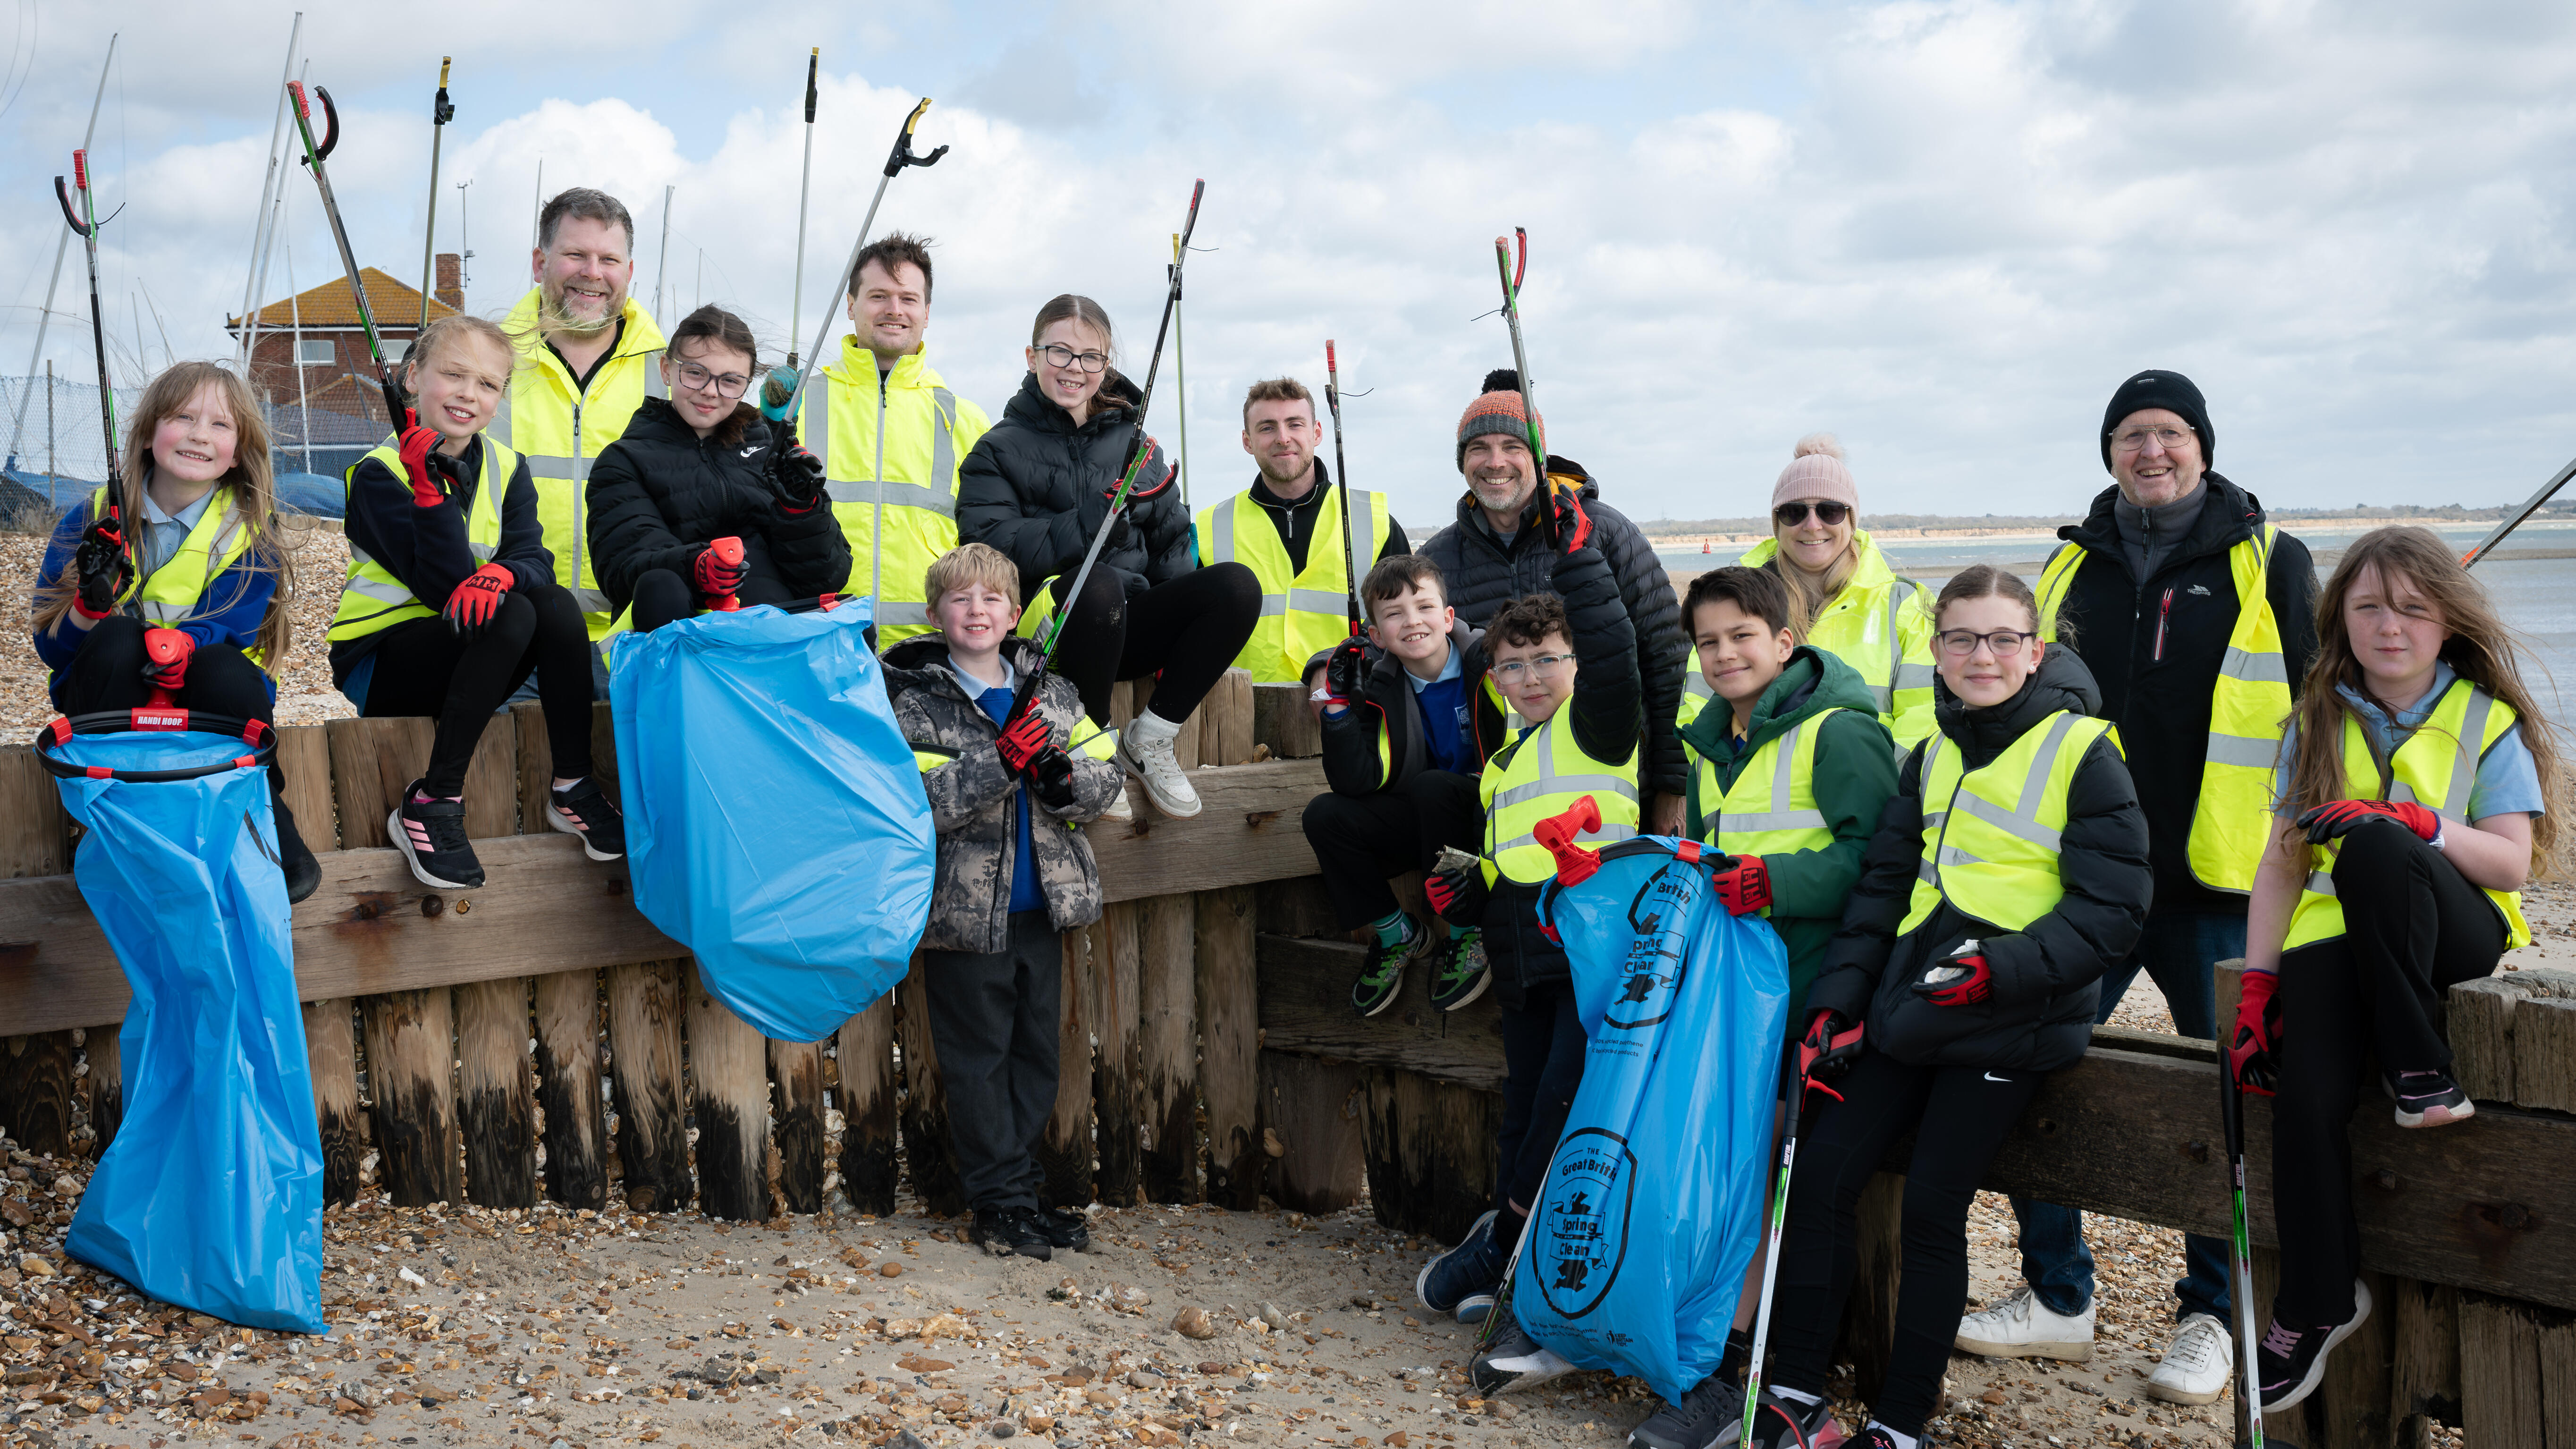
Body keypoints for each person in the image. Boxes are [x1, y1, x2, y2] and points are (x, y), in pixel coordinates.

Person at [1959, 369, 2317, 1406]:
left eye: (2167, 433)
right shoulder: (2070, 565)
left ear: (2201, 445)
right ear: (2107, 451)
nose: (2149, 451)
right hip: (2088, 871)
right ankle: (2057, 1294)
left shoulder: (2269, 560)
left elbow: (2314, 707)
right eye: (2129, 435)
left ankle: (2212, 1310)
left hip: (2222, 877)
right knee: (2030, 1053)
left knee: (2230, 1092)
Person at [1736, 564, 2149, 1449]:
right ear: (1937, 650)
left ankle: (1900, 1421)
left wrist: (2000, 969)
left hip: (2013, 1013)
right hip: (1910, 1002)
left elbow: (2114, 908)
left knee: (1931, 1206)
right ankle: (1795, 1396)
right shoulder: (1931, 750)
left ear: (2035, 650)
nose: (1981, 655)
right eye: (1961, 637)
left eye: (2002, 638)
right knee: (1819, 1178)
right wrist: (1839, 1002)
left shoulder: (2084, 750)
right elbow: (1886, 886)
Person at [2233, 526, 2560, 1413]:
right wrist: (2258, 984)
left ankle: (2423, 1069)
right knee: (2302, 1099)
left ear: (2445, 622)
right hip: (2337, 940)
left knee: (2375, 842)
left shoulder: (2484, 720)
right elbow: (2280, 864)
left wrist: (2412, 822)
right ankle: (2317, 1298)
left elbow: (2506, 863)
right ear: (2341, 613)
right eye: (2369, 605)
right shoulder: (2314, 718)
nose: (2390, 626)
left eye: (2413, 608)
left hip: (2452, 930)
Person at [1625, 565, 1900, 1449]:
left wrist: (1774, 881)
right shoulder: (1714, 740)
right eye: (1707, 642)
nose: (1723, 653)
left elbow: (1880, 857)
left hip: (1813, 990)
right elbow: (1714, 853)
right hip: (1738, 991)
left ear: (1785, 642)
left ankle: (1752, 1371)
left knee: (1781, 1178)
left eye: (1741, 635)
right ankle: (1710, 1347)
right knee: (1731, 1168)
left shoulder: (1841, 731)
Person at [1408, 498, 1639, 1378]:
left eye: (1548, 660)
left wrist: (1579, 561)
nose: (1531, 677)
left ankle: (1509, 1248)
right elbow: (1512, 862)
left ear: (1573, 664)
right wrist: (1468, 892)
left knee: (1561, 1112)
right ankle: (1509, 1250)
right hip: (1524, 963)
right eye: (1513, 665)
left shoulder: (1598, 727)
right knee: (1521, 1106)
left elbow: (1617, 652)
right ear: (1493, 674)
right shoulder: (1507, 755)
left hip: (1590, 962)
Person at [884, 542, 1123, 1261]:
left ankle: (1017, 1189)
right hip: (962, 917)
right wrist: (1002, 763)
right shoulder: (913, 701)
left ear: (1015, 615)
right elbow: (916, 803)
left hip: (1042, 909)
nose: (977, 610)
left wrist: (1060, 782)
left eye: (991, 599)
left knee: (1035, 1058)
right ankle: (998, 1202)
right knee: (977, 1061)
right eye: (961, 599)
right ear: (935, 614)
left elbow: (1104, 775)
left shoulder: (1052, 692)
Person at [329, 315, 625, 890]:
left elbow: (534, 559)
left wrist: (501, 575)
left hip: (471, 650)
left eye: (488, 385)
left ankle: (572, 786)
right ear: (413, 377)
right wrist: (426, 492)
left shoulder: (508, 467)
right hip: (383, 662)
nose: (469, 394)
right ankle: (434, 799)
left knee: (555, 605)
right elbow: (441, 587)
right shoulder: (378, 474)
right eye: (454, 375)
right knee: (515, 610)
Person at [955, 294, 1261, 820]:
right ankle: (1091, 748)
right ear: (1032, 358)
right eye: (1060, 353)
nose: (1075, 369)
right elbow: (992, 545)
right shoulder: (996, 449)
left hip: (1126, 624)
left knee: (1236, 586)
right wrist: (1086, 525)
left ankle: (1152, 737)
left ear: (1106, 364)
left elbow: (1170, 539)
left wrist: (1177, 626)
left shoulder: (1137, 444)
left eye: (1091, 357)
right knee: (1096, 583)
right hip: (1046, 632)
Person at [31, 360, 321, 902]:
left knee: (227, 671)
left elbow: (234, 624)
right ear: (147, 434)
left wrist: (183, 644)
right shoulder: (89, 517)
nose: (198, 435)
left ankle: (261, 806)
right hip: (114, 697)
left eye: (219, 424)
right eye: (183, 417)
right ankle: (112, 816)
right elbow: (52, 647)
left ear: (239, 449)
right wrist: (89, 610)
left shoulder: (250, 533)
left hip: (207, 693)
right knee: (115, 642)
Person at [1418, 370, 1688, 837]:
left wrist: (1673, 786)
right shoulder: (1436, 561)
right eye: (1479, 449)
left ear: (1539, 458)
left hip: (1616, 793)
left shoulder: (1602, 532)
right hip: (1506, 804)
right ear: (1462, 461)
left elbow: (1668, 659)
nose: (1495, 461)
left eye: (1513, 447)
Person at [776, 232, 991, 645]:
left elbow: (984, 548)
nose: (895, 310)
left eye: (908, 299)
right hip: (819, 643)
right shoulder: (797, 407)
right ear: (851, 305)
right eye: (879, 296)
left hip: (931, 651)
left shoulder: (967, 419)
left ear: (927, 312)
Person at [585, 305, 849, 635]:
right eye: (695, 373)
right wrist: (698, 567)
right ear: (667, 369)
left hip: (774, 637)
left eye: (730, 381)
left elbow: (827, 577)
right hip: (685, 638)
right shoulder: (624, 461)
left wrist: (801, 509)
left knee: (853, 621)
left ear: (747, 384)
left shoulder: (768, 453)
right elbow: (623, 570)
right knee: (659, 586)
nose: (711, 391)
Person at [1302, 554, 1489, 1017]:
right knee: (1324, 815)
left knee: (1433, 788)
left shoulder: (1488, 661)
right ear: (1375, 635)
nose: (1412, 622)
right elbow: (1354, 783)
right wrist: (1338, 708)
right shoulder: (1378, 685)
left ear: (1448, 618)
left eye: (1424, 608)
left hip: (1489, 814)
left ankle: (1468, 933)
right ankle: (1397, 934)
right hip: (1423, 821)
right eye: (1393, 614)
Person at [493, 188, 670, 671]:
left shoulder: (674, 376)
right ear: (539, 262)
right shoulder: (487, 364)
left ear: (629, 273)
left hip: (636, 644)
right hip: (511, 641)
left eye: (609, 259)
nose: (593, 273)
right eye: (575, 254)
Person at [1715, 434, 1937, 748]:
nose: (1812, 525)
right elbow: (1701, 713)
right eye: (1794, 512)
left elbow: (1925, 717)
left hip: (1870, 791)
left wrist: (1871, 783)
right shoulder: (1733, 601)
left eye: (1829, 510)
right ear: (1778, 523)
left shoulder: (1905, 605)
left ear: (1851, 518)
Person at [1195, 377, 1409, 683]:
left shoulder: (1373, 520)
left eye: (1295, 424)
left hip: (1354, 706)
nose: (1283, 438)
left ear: (1317, 432)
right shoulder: (1207, 528)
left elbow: (1407, 624)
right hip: (1240, 715)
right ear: (1247, 441)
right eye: (1267, 427)